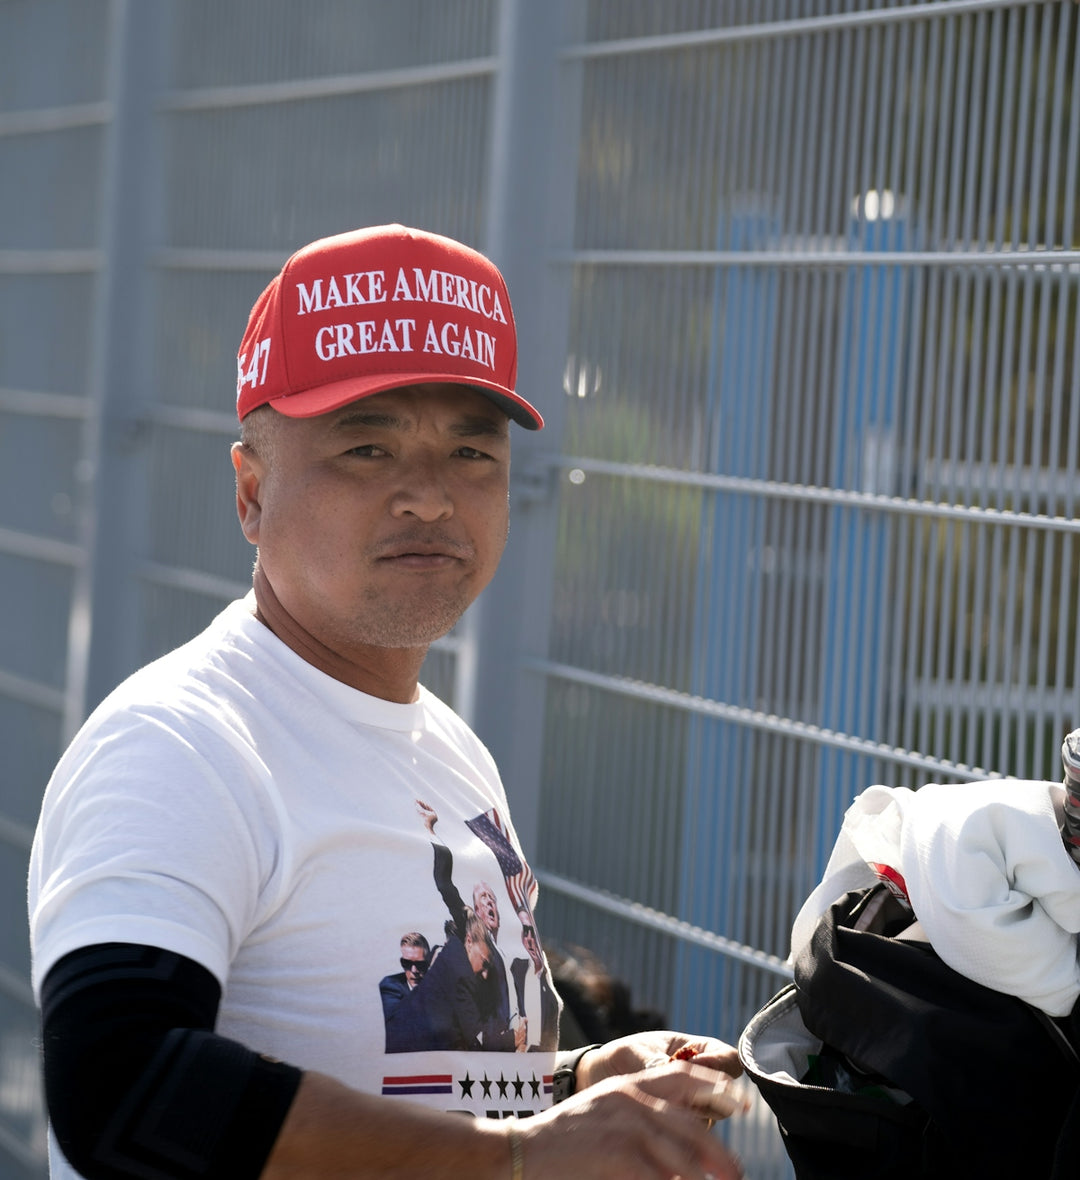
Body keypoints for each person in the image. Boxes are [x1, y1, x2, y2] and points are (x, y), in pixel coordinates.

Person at [28, 223, 748, 1180]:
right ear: (250, 491)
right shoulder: (180, 743)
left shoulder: (449, 750)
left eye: (471, 452)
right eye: (366, 447)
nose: (428, 497)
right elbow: (120, 1090)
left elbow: (416, 1084)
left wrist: (577, 1084)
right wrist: (521, 1159)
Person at [378, 932, 432, 1022]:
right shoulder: (390, 986)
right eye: (407, 963)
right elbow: (398, 1021)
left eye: (420, 964)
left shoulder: (440, 985)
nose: (414, 970)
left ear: (429, 962)